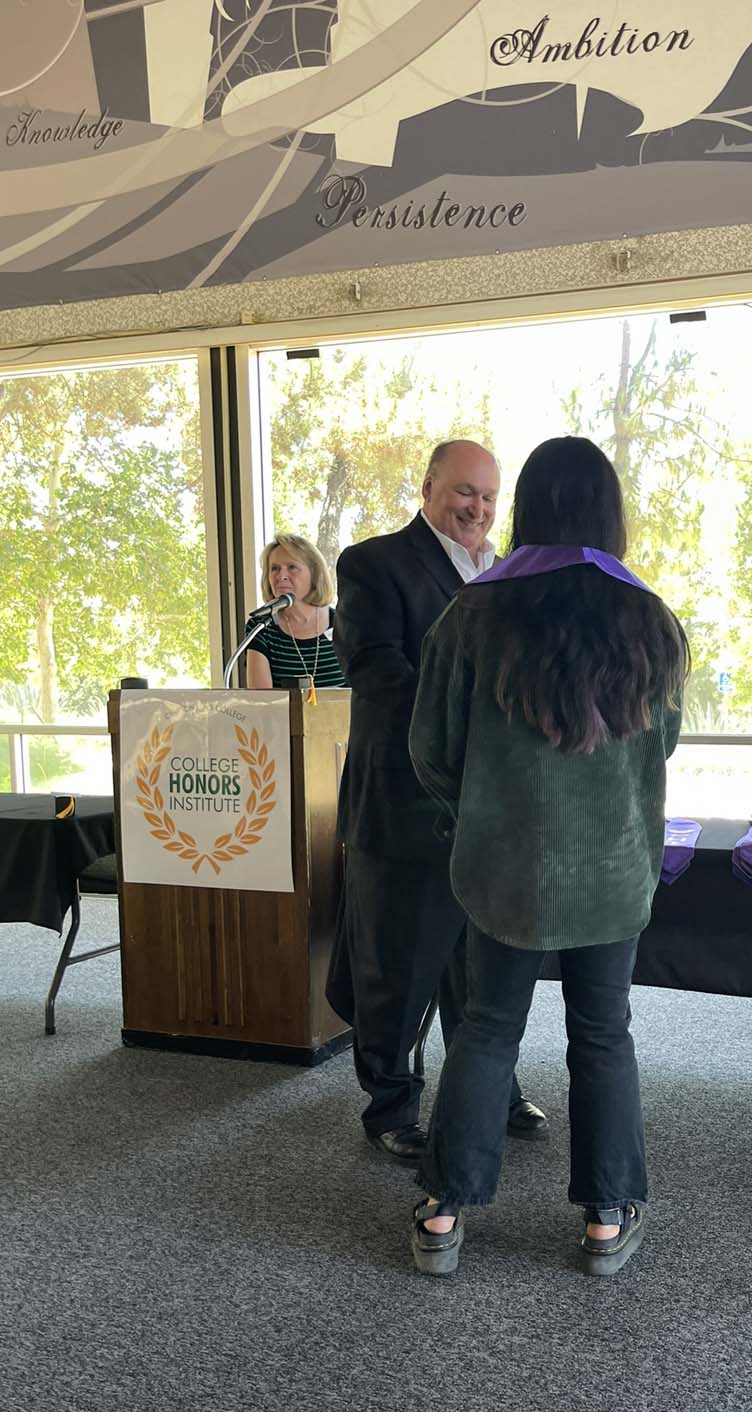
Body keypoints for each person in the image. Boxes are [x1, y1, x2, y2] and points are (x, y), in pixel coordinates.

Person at [406, 436, 689, 1278]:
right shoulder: (651, 618)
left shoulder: (473, 614)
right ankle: (605, 1220)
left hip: (504, 870)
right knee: (603, 1032)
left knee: (488, 1029)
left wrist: (482, 814)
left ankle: (444, 1214)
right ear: (610, 513)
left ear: (526, 507)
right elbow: (661, 745)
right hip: (612, 870)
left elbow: (431, 748)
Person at [327, 440, 546, 1161]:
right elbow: (375, 671)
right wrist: (475, 710)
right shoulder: (373, 563)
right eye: (464, 493)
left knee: (478, 962)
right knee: (398, 966)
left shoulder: (507, 574)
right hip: (404, 807)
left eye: (488, 497)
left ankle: (489, 1088)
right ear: (428, 488)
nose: (478, 509)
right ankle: (390, 1107)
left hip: (487, 810)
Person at [246, 536, 346, 690]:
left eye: (292, 567)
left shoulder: (345, 623)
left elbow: (365, 692)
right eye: (275, 568)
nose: (281, 576)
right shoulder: (261, 627)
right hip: (281, 715)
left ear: (315, 574)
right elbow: (262, 703)